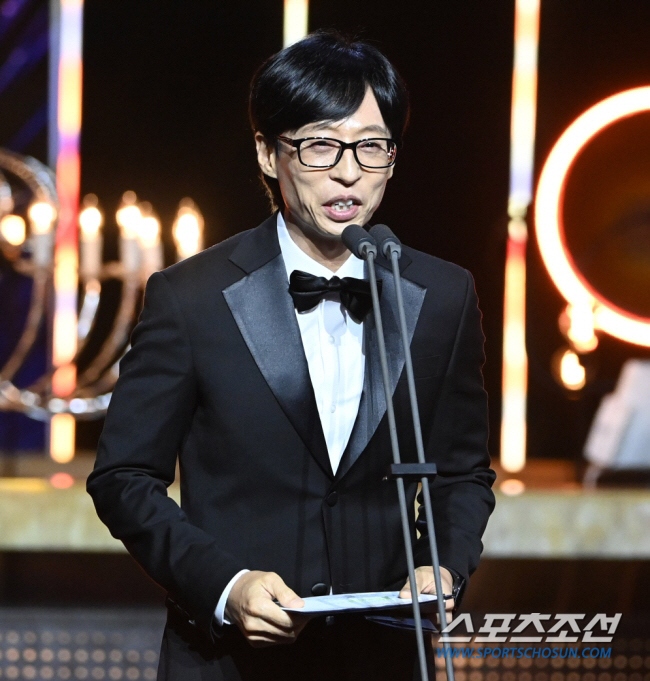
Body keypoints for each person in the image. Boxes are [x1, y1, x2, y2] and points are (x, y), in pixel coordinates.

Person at [87, 30, 495, 681]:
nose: (348, 172)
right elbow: (124, 477)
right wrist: (226, 585)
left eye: (371, 146)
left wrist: (442, 564)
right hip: (230, 662)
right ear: (267, 153)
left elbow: (463, 473)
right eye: (321, 145)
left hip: (382, 659)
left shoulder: (441, 296)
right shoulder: (191, 297)